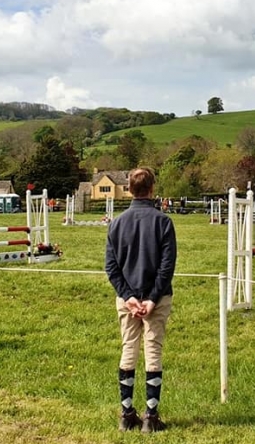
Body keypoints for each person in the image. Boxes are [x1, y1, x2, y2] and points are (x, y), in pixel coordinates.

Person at [105, 167, 176, 433]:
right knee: (153, 351)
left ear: (129, 189)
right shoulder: (163, 222)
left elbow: (111, 267)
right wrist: (153, 298)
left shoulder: (117, 223)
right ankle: (151, 417)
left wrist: (128, 296)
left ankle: (126, 414)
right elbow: (167, 266)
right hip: (156, 299)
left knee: (129, 350)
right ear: (152, 188)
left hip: (128, 299)